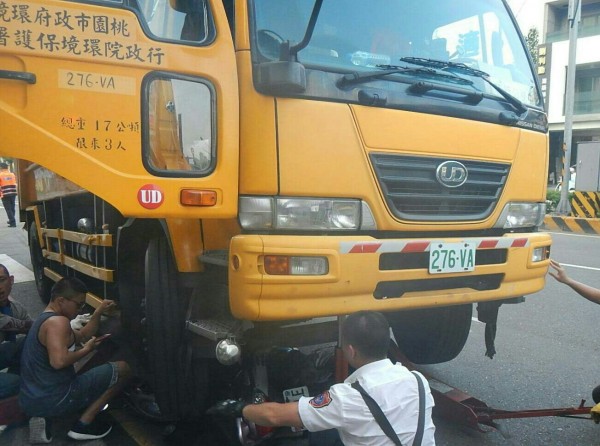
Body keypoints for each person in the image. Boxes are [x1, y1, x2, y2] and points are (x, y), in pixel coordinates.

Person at [208, 311, 436, 446]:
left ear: (351, 351)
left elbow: (273, 415)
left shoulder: (348, 397)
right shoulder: (418, 381)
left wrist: (239, 408)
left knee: (320, 431)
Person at [19, 277, 131, 442]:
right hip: (56, 397)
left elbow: (83, 335)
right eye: (78, 304)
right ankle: (83, 425)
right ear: (61, 300)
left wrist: (98, 312)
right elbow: (58, 362)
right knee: (125, 369)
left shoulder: (46, 318)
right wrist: (87, 349)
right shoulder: (59, 322)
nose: (80, 309)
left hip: (31, 399)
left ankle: (44, 416)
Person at [0, 263, 32, 399]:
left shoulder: (15, 308)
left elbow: (35, 330)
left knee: (28, 343)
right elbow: (26, 326)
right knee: (16, 383)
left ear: (11, 280)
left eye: (1, 280)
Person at [0, 162, 17, 228]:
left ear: (1, 168)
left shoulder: (0, 175)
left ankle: (13, 222)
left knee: (8, 209)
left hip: (5, 194)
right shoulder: (12, 174)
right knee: (12, 208)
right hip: (13, 193)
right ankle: (11, 220)